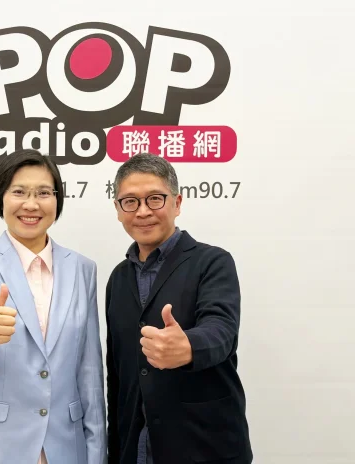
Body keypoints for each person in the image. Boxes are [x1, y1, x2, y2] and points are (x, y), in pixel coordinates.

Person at [0, 149, 106, 464]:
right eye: (19, 192)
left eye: (43, 193)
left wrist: (96, 455)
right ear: (1, 198)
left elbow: (89, 371)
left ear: (57, 200)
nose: (31, 204)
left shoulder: (82, 269)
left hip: (64, 448)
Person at [104, 153, 252, 464]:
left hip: (204, 447)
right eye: (130, 202)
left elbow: (222, 330)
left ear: (177, 202)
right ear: (118, 210)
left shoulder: (212, 262)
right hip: (136, 449)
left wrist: (189, 346)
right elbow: (117, 375)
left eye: (155, 199)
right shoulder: (118, 278)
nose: (143, 211)